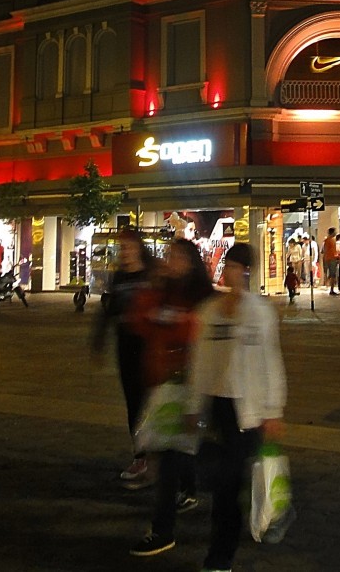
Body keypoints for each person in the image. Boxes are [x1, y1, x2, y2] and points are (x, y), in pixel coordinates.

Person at [183, 243, 286, 572]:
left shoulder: (259, 312)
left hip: (250, 410)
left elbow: (271, 361)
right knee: (223, 482)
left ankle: (222, 553)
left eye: (238, 267)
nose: (231, 272)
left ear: (248, 272)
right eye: (228, 265)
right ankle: (223, 544)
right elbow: (199, 361)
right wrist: (193, 404)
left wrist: (273, 409)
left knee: (232, 480)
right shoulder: (209, 312)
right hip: (217, 407)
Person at [127, 238, 214, 558]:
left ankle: (163, 530)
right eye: (168, 256)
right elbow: (141, 322)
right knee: (172, 454)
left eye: (176, 256)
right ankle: (186, 499)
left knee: (172, 458)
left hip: (191, 387)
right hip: (163, 387)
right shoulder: (164, 291)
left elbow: (198, 340)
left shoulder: (201, 298)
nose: (169, 261)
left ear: (190, 262)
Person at [94, 229, 155, 488]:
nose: (125, 253)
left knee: (152, 402)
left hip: (150, 347)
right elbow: (108, 311)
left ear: (139, 248)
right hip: (126, 347)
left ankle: (158, 456)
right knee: (134, 403)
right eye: (122, 248)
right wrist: (98, 340)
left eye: (129, 247)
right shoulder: (119, 277)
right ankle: (141, 455)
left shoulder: (153, 274)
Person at [322, 228, 340, 295]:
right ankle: (331, 289)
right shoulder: (328, 240)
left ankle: (330, 287)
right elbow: (326, 250)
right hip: (330, 259)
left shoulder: (332, 240)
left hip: (332, 258)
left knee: (332, 274)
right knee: (333, 274)